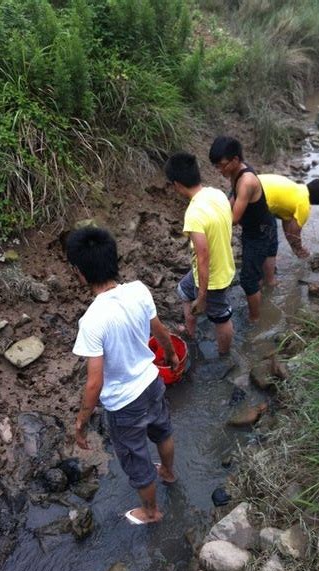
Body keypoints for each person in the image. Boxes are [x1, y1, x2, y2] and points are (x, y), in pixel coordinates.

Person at [67, 227, 178, 525]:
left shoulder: (91, 320)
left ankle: (151, 512)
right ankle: (168, 473)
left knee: (135, 458)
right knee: (163, 431)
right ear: (114, 259)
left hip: (123, 404)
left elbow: (94, 381)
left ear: (79, 273)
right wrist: (170, 354)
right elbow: (160, 331)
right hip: (152, 383)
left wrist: (81, 421)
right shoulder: (139, 290)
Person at [165, 152, 235, 354]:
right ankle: (190, 332)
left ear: (177, 184)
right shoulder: (217, 194)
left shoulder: (194, 214)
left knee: (221, 317)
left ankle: (224, 354)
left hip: (213, 278)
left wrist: (202, 296)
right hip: (222, 264)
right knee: (184, 290)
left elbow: (203, 256)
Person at [209, 136, 278, 322]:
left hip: (260, 232)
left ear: (236, 160)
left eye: (222, 165)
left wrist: (209, 227)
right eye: (216, 166)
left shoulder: (247, 181)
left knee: (248, 280)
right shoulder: (236, 172)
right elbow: (232, 198)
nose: (219, 170)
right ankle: (264, 288)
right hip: (257, 227)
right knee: (255, 273)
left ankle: (255, 320)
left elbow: (235, 218)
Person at [259, 173, 319, 260]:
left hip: (249, 182)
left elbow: (288, 224)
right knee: (269, 242)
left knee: (267, 229)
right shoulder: (304, 205)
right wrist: (300, 250)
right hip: (255, 199)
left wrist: (295, 248)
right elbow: (294, 233)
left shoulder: (298, 188)